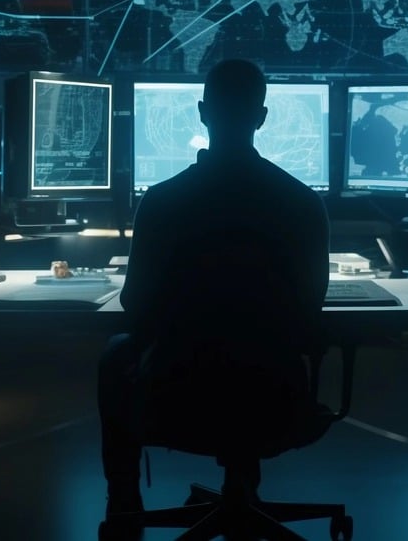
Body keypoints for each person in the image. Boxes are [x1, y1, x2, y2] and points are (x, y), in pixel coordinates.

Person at [98, 58, 330, 519]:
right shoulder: (303, 203)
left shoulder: (163, 201)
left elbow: (135, 305)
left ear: (203, 113)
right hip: (275, 400)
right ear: (261, 118)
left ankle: (124, 504)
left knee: (113, 354)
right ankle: (245, 487)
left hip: (175, 398)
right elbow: (310, 309)